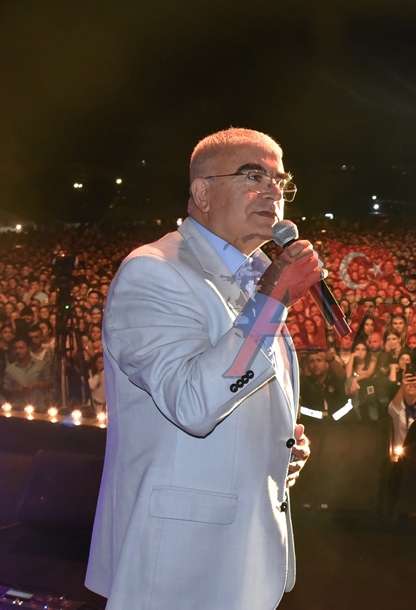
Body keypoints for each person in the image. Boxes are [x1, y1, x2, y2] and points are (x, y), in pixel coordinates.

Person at [87, 128, 319, 610]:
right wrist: (272, 301)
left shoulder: (255, 274)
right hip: (178, 564)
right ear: (202, 192)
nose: (272, 191)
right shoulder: (155, 270)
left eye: (280, 180)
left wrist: (277, 445)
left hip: (242, 553)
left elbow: (240, 389)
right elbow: (192, 401)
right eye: (253, 176)